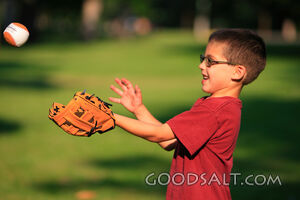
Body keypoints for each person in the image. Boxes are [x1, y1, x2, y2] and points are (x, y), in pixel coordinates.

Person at [108, 29, 266, 200]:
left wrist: (110, 117)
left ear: (237, 72)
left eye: (210, 61)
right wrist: (139, 109)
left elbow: (158, 134)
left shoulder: (213, 111)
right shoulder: (223, 108)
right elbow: (168, 141)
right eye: (203, 59)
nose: (201, 65)